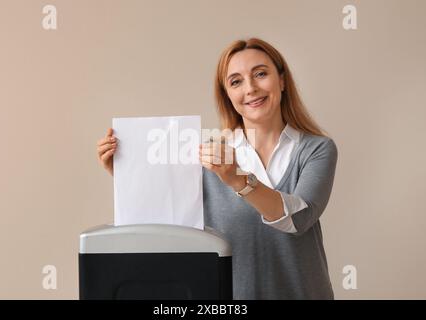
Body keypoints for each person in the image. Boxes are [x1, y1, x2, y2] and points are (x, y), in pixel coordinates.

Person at [96, 38, 338, 300]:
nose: (251, 88)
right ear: (227, 95)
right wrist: (124, 172)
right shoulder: (205, 155)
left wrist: (237, 180)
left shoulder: (317, 149)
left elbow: (298, 219)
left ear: (281, 80)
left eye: (260, 74)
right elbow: (168, 220)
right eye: (236, 81)